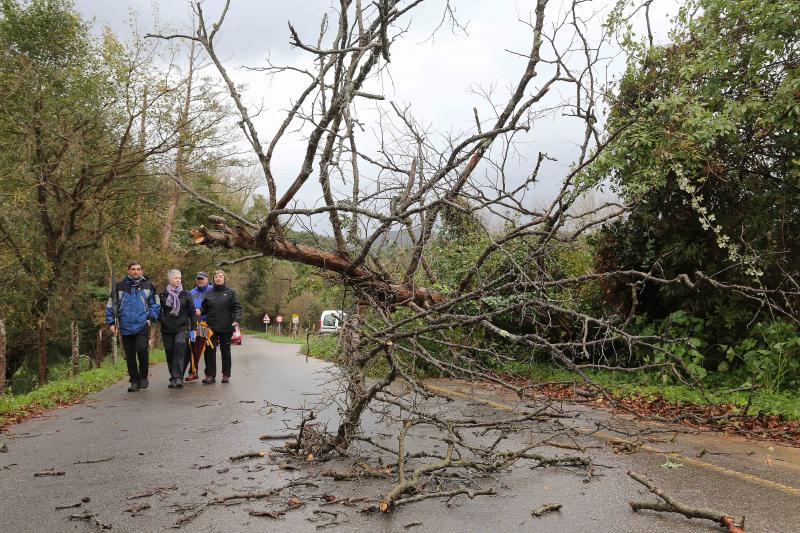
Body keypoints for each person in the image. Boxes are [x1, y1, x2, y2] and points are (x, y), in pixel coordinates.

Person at [106, 261, 160, 392]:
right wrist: (111, 323)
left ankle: (143, 378)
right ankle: (134, 381)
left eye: (138, 269)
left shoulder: (148, 285)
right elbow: (110, 305)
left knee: (142, 350)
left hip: (142, 323)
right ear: (128, 271)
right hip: (125, 325)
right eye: (133, 269)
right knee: (129, 355)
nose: (136, 271)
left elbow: (155, 303)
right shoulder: (119, 286)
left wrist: (150, 318)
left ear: (141, 270)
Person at [201, 270, 241, 384]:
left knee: (225, 351)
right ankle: (210, 376)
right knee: (209, 351)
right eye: (216, 277)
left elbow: (237, 307)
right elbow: (204, 308)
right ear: (213, 279)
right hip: (211, 327)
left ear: (224, 279)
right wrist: (199, 311)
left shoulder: (231, 292)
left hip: (226, 326)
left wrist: (236, 319)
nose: (218, 278)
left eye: (220, 277)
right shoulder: (208, 292)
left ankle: (226, 375)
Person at [159, 270, 196, 389]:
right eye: (175, 278)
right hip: (167, 328)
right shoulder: (163, 294)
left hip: (182, 327)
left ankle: (179, 377)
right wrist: (162, 320)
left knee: (179, 349)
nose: (178, 280)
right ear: (170, 280)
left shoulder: (186, 293)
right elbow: (157, 311)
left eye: (180, 277)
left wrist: (194, 328)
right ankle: (173, 378)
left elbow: (192, 311)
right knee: (170, 352)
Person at [185, 272, 212, 381]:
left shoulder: (212, 290)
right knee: (194, 348)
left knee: (208, 350)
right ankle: (193, 372)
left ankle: (209, 374)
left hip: (207, 324)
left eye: (202, 278)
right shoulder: (191, 292)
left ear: (207, 279)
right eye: (198, 279)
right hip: (194, 325)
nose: (200, 280)